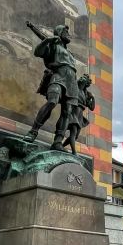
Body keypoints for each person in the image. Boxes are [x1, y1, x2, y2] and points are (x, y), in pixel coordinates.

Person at [23, 21, 78, 151]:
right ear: (59, 33)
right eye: (66, 32)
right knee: (52, 101)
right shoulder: (54, 45)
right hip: (58, 75)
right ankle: (33, 131)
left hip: (72, 81)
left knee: (67, 112)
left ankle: (58, 141)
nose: (68, 34)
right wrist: (48, 41)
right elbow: (37, 52)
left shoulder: (70, 54)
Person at [62, 74, 95, 154]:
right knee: (73, 132)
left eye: (84, 78)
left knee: (75, 136)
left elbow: (92, 108)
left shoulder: (85, 94)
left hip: (80, 115)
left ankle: (62, 146)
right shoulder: (74, 88)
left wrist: (92, 98)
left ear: (86, 83)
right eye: (81, 77)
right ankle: (74, 152)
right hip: (73, 112)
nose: (81, 78)